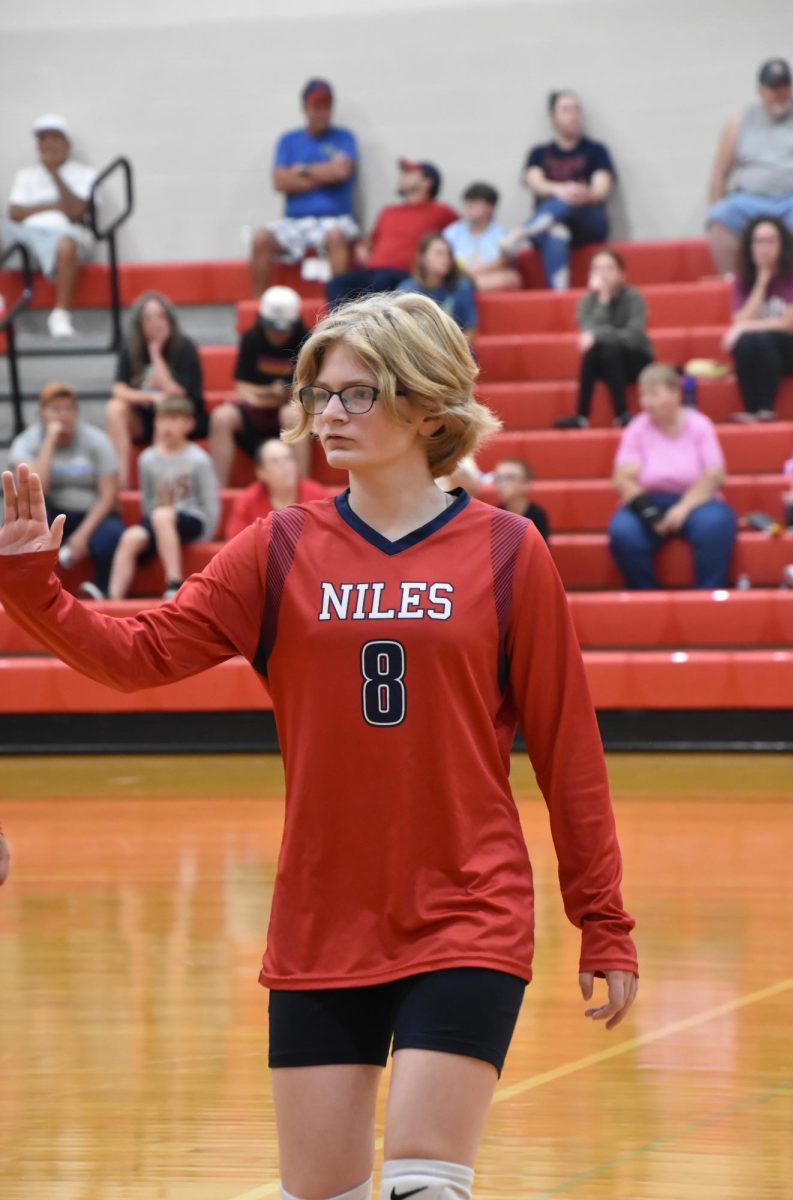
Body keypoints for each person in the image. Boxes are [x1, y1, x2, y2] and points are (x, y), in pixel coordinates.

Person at [0, 291, 638, 1200]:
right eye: (319, 394)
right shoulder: (278, 548)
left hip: (465, 910)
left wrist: (602, 919)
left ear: (426, 405)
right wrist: (35, 590)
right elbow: (137, 656)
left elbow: (569, 750)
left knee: (425, 1186)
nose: (327, 415)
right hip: (320, 921)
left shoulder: (508, 551)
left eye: (355, 394)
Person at [608, 363, 736, 589]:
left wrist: (683, 508)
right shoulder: (638, 428)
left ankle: (707, 597)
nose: (646, 402)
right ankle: (646, 598)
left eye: (654, 395)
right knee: (622, 530)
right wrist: (649, 513)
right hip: (648, 501)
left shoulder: (699, 424)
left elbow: (714, 474)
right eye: (643, 395)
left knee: (715, 524)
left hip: (697, 501)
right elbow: (623, 477)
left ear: (676, 394)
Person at [8, 381, 124, 599]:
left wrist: (82, 535)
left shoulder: (97, 440)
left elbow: (108, 495)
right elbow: (38, 488)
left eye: (68, 409)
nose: (63, 415)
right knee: (28, 524)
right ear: (42, 413)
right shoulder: (26, 442)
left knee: (112, 534)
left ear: (76, 412)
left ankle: (100, 588)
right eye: (55, 409)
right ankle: (35, 591)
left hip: (92, 512)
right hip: (53, 509)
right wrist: (51, 440)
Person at [249, 79, 359, 294]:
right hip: (295, 222)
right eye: (316, 106)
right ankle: (259, 307)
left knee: (336, 236)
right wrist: (326, 172)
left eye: (326, 106)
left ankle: (341, 311)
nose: (321, 112)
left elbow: (342, 172)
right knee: (260, 238)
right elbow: (280, 181)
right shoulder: (289, 140)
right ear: (305, 108)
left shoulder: (344, 137)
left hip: (334, 219)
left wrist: (302, 170)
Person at [106, 394, 219, 601]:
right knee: (131, 537)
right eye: (163, 419)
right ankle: (112, 599)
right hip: (159, 520)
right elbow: (147, 503)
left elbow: (210, 503)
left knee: (162, 515)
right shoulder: (147, 459)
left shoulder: (198, 459)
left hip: (191, 519)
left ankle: (174, 582)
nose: (167, 426)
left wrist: (205, 535)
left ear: (188, 424)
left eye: (174, 420)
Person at [503, 90, 615, 289]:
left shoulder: (596, 150)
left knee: (568, 200)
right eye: (565, 109)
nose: (573, 114)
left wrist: (581, 194)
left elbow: (601, 190)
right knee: (557, 230)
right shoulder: (539, 153)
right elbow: (534, 181)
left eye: (576, 109)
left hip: (587, 222)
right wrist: (562, 189)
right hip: (547, 227)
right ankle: (559, 296)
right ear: (553, 117)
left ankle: (523, 231)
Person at [0, 114, 95, 338]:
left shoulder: (84, 174)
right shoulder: (26, 175)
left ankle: (60, 315)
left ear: (67, 143)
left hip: (64, 235)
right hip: (26, 237)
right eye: (42, 139)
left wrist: (54, 173)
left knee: (66, 244)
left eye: (54, 137)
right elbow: (15, 212)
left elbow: (76, 212)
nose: (48, 144)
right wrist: (54, 206)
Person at [707, 58, 793, 275]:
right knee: (720, 216)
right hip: (751, 199)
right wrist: (715, 206)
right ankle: (733, 284)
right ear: (760, 90)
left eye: (784, 86)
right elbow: (720, 173)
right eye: (773, 87)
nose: (780, 93)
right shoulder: (740, 121)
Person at [105, 292, 207, 488]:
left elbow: (178, 394)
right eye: (148, 318)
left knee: (165, 411)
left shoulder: (184, 348)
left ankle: (160, 486)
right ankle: (120, 484)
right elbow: (119, 390)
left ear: (170, 320)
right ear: (139, 324)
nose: (155, 322)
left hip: (182, 417)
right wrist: (153, 397)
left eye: (160, 316)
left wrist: (156, 353)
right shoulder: (131, 347)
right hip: (144, 418)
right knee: (114, 408)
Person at [209, 286, 309, 485]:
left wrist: (261, 397)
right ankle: (219, 490)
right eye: (272, 327)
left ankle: (301, 488)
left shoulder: (307, 341)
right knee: (221, 416)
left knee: (292, 414)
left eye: (283, 329)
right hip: (254, 415)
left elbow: (307, 391)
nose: (277, 334)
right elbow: (241, 388)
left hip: (290, 412)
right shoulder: (250, 339)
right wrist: (270, 394)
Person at [326, 160, 459, 307]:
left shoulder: (441, 212)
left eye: (409, 173)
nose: (402, 176)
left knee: (381, 284)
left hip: (404, 274)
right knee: (336, 284)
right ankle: (340, 328)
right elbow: (370, 240)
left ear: (427, 182)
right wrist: (362, 247)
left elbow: (463, 233)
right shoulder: (388, 211)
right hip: (373, 271)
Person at [555, 249, 653, 429]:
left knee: (608, 348)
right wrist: (603, 301)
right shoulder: (587, 302)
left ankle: (621, 413)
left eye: (609, 268)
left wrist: (599, 335)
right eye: (597, 269)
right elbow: (588, 332)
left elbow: (633, 336)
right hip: (603, 361)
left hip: (636, 359)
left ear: (622, 274)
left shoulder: (633, 297)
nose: (603, 274)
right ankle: (582, 416)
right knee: (595, 352)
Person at [723, 216, 793, 422]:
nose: (764, 247)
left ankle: (766, 409)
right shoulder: (744, 278)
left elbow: (789, 323)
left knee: (759, 338)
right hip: (761, 349)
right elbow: (740, 318)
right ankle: (751, 410)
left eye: (770, 241)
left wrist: (745, 327)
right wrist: (761, 281)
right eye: (758, 241)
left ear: (782, 244)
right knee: (747, 341)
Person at [224, 438, 328, 539]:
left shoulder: (318, 496)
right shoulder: (247, 501)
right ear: (261, 472)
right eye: (275, 461)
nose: (285, 466)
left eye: (288, 458)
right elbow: (234, 544)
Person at [396, 233, 478, 341]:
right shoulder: (406, 291)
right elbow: (400, 332)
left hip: (455, 350)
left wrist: (451, 351)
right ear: (422, 257)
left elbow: (472, 330)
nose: (445, 258)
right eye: (438, 253)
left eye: (448, 254)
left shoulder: (461, 287)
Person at [443, 182, 522, 291]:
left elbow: (502, 263)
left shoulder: (501, 233)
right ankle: (462, 286)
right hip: (453, 275)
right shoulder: (452, 231)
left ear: (491, 207)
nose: (469, 206)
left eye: (476, 202)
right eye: (468, 201)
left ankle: (465, 287)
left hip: (483, 279)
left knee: (511, 278)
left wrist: (472, 274)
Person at [492, 459, 550, 542]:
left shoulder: (538, 515)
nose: (502, 483)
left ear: (526, 483)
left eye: (509, 477)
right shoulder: (494, 515)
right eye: (498, 478)